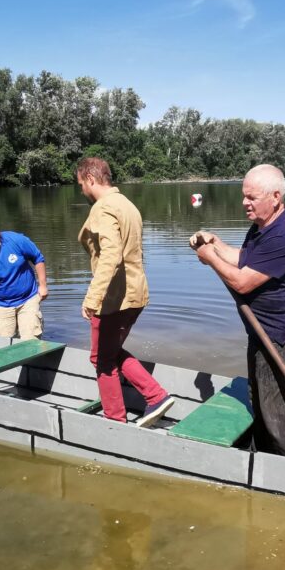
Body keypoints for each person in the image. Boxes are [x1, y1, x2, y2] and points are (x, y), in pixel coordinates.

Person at [190, 164, 285, 459]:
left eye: (252, 197)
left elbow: (242, 282)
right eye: (244, 196)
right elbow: (243, 259)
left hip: (283, 338)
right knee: (258, 402)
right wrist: (215, 243)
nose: (245, 202)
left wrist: (209, 258)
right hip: (263, 332)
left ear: (275, 197)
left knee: (278, 416)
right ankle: (265, 461)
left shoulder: (282, 235)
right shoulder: (262, 227)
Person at [76, 157, 174, 427]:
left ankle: (116, 421)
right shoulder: (127, 205)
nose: (82, 190)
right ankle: (156, 396)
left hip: (114, 297)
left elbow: (111, 255)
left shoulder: (104, 208)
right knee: (109, 351)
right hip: (135, 293)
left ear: (91, 179)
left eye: (81, 184)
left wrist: (92, 298)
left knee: (102, 359)